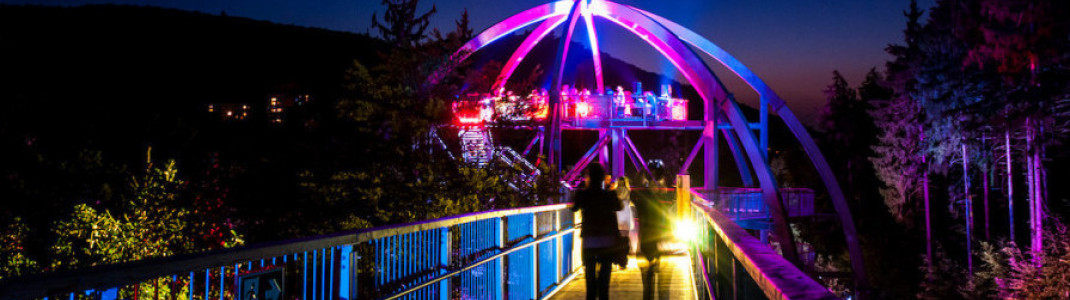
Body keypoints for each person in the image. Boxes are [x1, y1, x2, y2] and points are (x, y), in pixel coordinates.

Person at [571, 163, 623, 300]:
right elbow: (619, 207)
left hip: (589, 241)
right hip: (607, 241)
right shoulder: (609, 195)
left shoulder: (583, 195)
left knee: (590, 282)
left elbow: (574, 208)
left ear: (589, 177)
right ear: (602, 178)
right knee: (604, 284)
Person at [633, 160, 669, 267]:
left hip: (653, 215)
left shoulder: (659, 185)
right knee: (649, 236)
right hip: (649, 215)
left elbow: (664, 194)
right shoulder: (648, 185)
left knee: (654, 236)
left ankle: (653, 257)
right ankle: (652, 257)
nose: (653, 174)